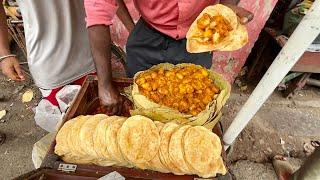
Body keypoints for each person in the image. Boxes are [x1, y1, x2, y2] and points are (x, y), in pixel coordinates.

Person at [84, 0, 252, 115]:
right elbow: (98, 8)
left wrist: (227, 7)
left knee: (192, 104)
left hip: (198, 37)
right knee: (141, 106)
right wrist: (104, 85)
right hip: (147, 33)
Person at [0, 1, 96, 131]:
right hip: (49, 65)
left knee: (103, 120)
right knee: (70, 131)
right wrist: (4, 53)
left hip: (91, 52)